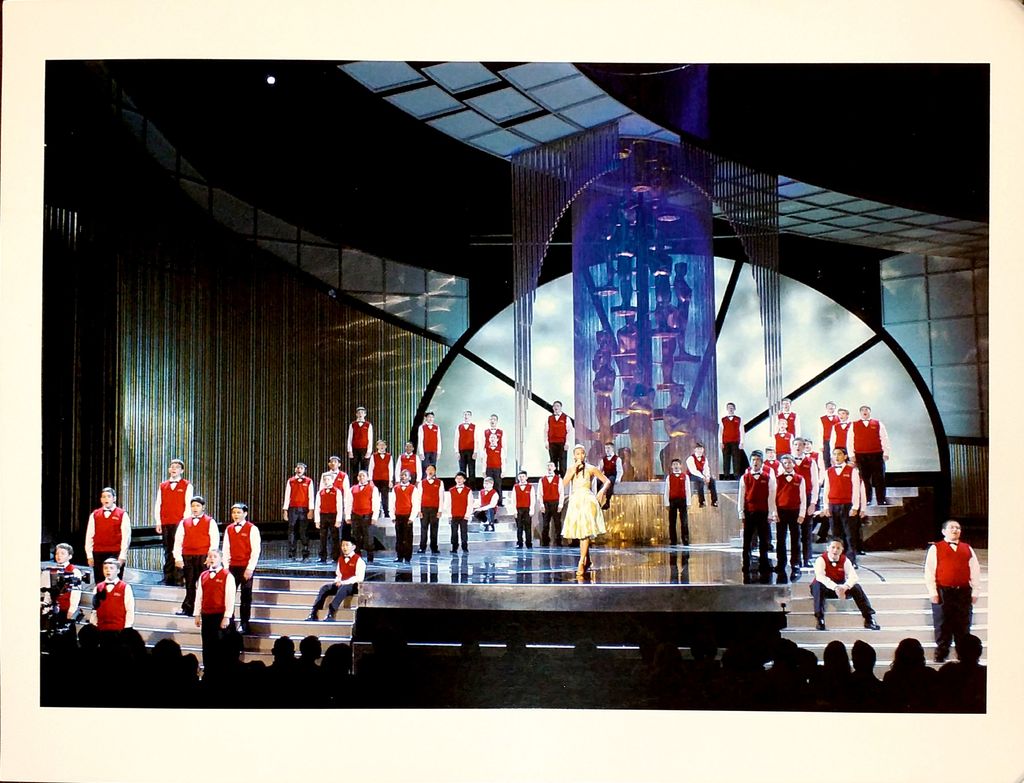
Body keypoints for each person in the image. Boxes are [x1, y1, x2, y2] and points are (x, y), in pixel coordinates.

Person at [924, 519, 981, 663]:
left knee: (963, 623)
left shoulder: (967, 548)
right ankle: (941, 653)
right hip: (944, 591)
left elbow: (975, 570)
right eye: (952, 528)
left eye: (958, 528)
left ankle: (963, 654)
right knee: (942, 623)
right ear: (944, 531)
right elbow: (929, 571)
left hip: (963, 592)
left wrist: (975, 591)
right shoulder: (936, 548)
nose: (955, 530)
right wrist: (933, 592)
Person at [561, 445, 611, 576]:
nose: (580, 456)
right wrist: (573, 470)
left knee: (585, 532)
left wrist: (602, 491)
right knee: (581, 532)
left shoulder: (591, 468)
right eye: (577, 453)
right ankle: (587, 559)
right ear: (574, 456)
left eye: (582, 453)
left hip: (588, 501)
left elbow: (607, 481)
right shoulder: (571, 469)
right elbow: (563, 484)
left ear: (585, 455)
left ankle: (581, 562)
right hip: (575, 501)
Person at [811, 539, 880, 631]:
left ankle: (869, 618)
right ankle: (820, 619)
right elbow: (820, 577)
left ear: (842, 550)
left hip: (841, 588)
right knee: (818, 585)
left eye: (838, 548)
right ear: (827, 548)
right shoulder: (821, 560)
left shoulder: (845, 560)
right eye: (833, 547)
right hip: (826, 587)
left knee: (856, 587)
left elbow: (853, 577)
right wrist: (835, 587)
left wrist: (845, 587)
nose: (835, 550)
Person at [173, 496, 220, 616]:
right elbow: (178, 541)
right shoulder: (184, 522)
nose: (195, 508)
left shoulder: (210, 521)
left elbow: (214, 541)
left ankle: (204, 608)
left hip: (203, 556)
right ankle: (188, 607)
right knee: (189, 583)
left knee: (204, 583)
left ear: (203, 507)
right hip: (188, 556)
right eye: (193, 506)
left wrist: (211, 558)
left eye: (198, 506)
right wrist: (178, 558)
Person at [817, 447, 864, 562]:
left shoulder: (852, 471)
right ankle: (838, 559)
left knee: (850, 534)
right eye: (834, 454)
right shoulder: (829, 471)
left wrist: (855, 507)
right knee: (836, 535)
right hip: (833, 506)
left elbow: (856, 490)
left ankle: (851, 560)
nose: (837, 457)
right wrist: (826, 506)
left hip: (847, 505)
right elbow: (826, 490)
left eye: (839, 454)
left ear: (845, 456)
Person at [193, 548, 236, 673]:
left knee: (220, 646)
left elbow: (230, 598)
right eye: (210, 556)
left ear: (221, 559)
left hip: (220, 615)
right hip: (207, 615)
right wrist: (197, 614)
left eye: (215, 556)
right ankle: (208, 671)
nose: (212, 559)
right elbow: (199, 596)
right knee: (207, 645)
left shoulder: (227, 576)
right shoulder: (203, 575)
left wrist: (227, 616)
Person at [737, 450, 777, 582]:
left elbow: (771, 496)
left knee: (764, 540)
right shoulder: (745, 477)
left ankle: (764, 564)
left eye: (758, 460)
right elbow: (741, 496)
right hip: (749, 512)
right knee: (747, 540)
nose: (755, 462)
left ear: (762, 463)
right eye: (753, 460)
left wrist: (771, 513)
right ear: (750, 462)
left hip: (763, 512)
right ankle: (746, 564)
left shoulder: (767, 477)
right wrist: (741, 512)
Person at [222, 502, 261, 635]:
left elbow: (255, 550)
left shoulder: (252, 529)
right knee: (229, 595)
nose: (236, 515)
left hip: (245, 567)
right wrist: (226, 567)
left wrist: (250, 568)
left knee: (245, 596)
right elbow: (226, 549)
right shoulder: (229, 529)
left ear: (245, 514)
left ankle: (244, 624)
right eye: (234, 512)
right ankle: (230, 622)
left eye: (238, 512)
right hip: (232, 567)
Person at [153, 458, 193, 586]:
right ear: (169, 469)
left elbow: (188, 505)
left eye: (177, 467)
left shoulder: (187, 485)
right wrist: (158, 521)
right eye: (172, 466)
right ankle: (168, 577)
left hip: (179, 522)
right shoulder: (163, 485)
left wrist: (184, 523)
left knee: (179, 549)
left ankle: (179, 577)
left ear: (182, 470)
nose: (174, 469)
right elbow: (158, 504)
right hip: (166, 522)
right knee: (167, 549)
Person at [306, 539, 365, 621]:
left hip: (352, 585)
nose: (344, 547)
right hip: (341, 583)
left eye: (347, 545)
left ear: (353, 547)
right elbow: (339, 574)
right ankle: (314, 612)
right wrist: (338, 580)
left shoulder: (359, 560)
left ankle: (331, 612)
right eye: (343, 545)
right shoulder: (341, 559)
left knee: (343, 588)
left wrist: (343, 582)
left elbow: (359, 578)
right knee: (325, 588)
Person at [84, 487, 131, 584]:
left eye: (109, 496)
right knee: (99, 582)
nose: (106, 499)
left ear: (114, 498)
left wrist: (122, 555)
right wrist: (89, 555)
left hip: (115, 552)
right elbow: (89, 536)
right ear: (101, 499)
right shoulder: (95, 515)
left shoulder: (122, 514)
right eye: (104, 497)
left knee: (115, 582)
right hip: (98, 552)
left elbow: (126, 537)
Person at [41, 543, 83, 644]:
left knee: (67, 638)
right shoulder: (51, 570)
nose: (59, 556)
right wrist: (46, 606)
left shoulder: (74, 571)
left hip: (66, 608)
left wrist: (72, 609)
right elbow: (48, 591)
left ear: (70, 556)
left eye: (63, 553)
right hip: (53, 609)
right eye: (57, 553)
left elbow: (76, 592)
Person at [774, 454, 806, 582]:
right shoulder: (777, 479)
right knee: (780, 539)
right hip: (781, 511)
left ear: (793, 463)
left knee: (795, 539)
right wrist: (774, 513)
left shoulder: (800, 479)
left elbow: (803, 497)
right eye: (785, 463)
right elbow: (773, 497)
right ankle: (781, 563)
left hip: (795, 511)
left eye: (789, 462)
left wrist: (802, 514)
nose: (787, 465)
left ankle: (796, 563)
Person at [852, 405, 890, 506]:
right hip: (860, 455)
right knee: (864, 479)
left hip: (876, 454)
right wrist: (851, 455)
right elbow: (850, 440)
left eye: (866, 410)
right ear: (860, 413)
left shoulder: (878, 423)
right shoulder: (853, 425)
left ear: (870, 412)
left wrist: (886, 453)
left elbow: (884, 438)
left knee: (879, 478)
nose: (865, 411)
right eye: (862, 410)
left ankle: (881, 500)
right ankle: (867, 500)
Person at [791, 438, 820, 566]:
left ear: (804, 447)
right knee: (794, 531)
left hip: (807, 498)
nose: (798, 447)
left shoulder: (811, 462)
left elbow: (815, 483)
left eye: (800, 445)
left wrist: (813, 503)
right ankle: (795, 560)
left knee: (806, 531)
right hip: (792, 499)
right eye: (795, 444)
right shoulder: (787, 461)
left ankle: (807, 558)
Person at [89, 557, 136, 634]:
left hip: (119, 629)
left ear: (118, 570)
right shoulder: (98, 587)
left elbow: (130, 609)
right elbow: (94, 609)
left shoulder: (125, 587)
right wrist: (93, 625)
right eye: (105, 568)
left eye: (111, 568)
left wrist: (127, 627)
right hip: (101, 628)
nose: (108, 570)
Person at [345, 470, 380, 563]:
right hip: (355, 515)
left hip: (367, 516)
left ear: (367, 478)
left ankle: (370, 558)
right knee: (355, 537)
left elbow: (376, 503)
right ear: (357, 478)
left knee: (368, 537)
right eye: (360, 476)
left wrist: (374, 517)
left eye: (363, 476)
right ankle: (357, 557)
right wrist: (347, 516)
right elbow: (348, 503)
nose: (361, 477)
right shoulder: (352, 489)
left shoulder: (373, 488)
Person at [282, 462, 314, 560]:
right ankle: (291, 553)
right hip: (293, 509)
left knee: (303, 531)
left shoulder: (308, 481)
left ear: (304, 470)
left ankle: (305, 552)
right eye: (298, 468)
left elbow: (311, 496)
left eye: (301, 468)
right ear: (295, 469)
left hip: (304, 509)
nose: (299, 470)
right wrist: (285, 510)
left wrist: (311, 510)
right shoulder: (291, 481)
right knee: (291, 530)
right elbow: (287, 496)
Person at [389, 469, 420, 564]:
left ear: (409, 478)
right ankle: (399, 556)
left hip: (408, 516)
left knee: (408, 537)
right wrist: (392, 516)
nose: (403, 477)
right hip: (398, 515)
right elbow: (392, 503)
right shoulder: (395, 488)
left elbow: (415, 504)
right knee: (399, 537)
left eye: (405, 475)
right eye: (402, 475)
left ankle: (407, 557)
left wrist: (412, 517)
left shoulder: (413, 488)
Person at [314, 473, 344, 563]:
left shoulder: (337, 491)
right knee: (323, 537)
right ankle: (322, 557)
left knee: (335, 537)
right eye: (325, 480)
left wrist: (338, 519)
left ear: (332, 480)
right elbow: (317, 507)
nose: (326, 481)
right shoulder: (320, 492)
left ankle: (336, 557)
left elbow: (339, 506)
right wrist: (317, 520)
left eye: (328, 479)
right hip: (323, 516)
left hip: (333, 516)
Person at [444, 471, 476, 553]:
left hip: (464, 515)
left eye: (461, 478)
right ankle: (454, 547)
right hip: (454, 515)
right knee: (454, 532)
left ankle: (465, 547)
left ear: (464, 480)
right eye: (457, 478)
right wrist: (449, 515)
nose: (459, 480)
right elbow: (448, 504)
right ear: (455, 480)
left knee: (464, 532)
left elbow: (470, 504)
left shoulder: (468, 490)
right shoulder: (451, 490)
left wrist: (467, 515)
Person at [663, 458, 691, 546]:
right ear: (672, 466)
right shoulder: (669, 477)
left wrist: (688, 502)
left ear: (680, 466)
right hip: (672, 501)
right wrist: (666, 503)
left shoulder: (685, 476)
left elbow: (688, 490)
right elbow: (667, 490)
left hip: (683, 500)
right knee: (672, 522)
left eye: (677, 464)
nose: (676, 466)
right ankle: (673, 540)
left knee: (684, 521)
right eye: (674, 464)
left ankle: (685, 539)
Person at [417, 464, 444, 554]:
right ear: (426, 471)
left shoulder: (440, 482)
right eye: (428, 469)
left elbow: (441, 497)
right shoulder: (421, 483)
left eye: (432, 469)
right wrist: (419, 510)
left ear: (435, 471)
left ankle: (434, 547)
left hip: (435, 509)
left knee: (434, 529)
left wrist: (440, 510)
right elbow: (419, 497)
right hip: (424, 509)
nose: (430, 471)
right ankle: (422, 547)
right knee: (423, 528)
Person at [545, 401, 575, 476]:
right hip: (552, 443)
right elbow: (546, 431)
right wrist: (546, 442)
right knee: (553, 462)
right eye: (554, 406)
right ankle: (554, 479)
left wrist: (567, 443)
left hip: (562, 443)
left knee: (562, 462)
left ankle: (563, 479)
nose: (556, 407)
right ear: (553, 408)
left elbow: (570, 431)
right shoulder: (549, 418)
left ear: (561, 408)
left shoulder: (566, 418)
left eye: (558, 406)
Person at [539, 462, 565, 547]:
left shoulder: (558, 479)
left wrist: (560, 504)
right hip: (546, 503)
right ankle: (545, 541)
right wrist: (541, 504)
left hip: (555, 503)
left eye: (551, 466)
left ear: (554, 468)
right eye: (548, 466)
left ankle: (558, 541)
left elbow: (561, 493)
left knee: (557, 523)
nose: (549, 467)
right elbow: (540, 493)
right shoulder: (542, 480)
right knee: (545, 523)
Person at [508, 470, 536, 548]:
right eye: (520, 476)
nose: (521, 478)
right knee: (519, 527)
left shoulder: (530, 487)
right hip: (518, 509)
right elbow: (513, 500)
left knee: (528, 527)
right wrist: (514, 511)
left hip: (527, 509)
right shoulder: (515, 487)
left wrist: (532, 509)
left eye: (523, 476)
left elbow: (532, 499)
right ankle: (519, 542)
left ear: (526, 477)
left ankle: (529, 543)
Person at [685, 443, 718, 508]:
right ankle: (702, 502)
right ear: (695, 450)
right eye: (698, 449)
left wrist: (707, 476)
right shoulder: (690, 459)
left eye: (701, 449)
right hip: (692, 475)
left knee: (712, 480)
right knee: (700, 481)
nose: (700, 450)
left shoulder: (704, 459)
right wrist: (703, 477)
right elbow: (693, 470)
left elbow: (706, 469)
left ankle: (714, 501)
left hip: (701, 475)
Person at [369, 440, 394, 518]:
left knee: (385, 497)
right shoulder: (373, 456)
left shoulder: (389, 456)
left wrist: (390, 480)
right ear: (377, 446)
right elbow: (371, 468)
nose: (382, 446)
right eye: (380, 445)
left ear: (386, 446)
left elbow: (391, 468)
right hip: (375, 479)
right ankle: (375, 513)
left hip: (385, 479)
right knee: (375, 497)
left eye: (383, 445)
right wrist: (370, 480)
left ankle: (386, 512)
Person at [346, 406, 373, 477]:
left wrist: (369, 451)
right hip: (354, 449)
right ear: (356, 414)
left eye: (362, 413)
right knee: (354, 469)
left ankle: (364, 482)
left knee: (364, 468)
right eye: (359, 413)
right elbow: (350, 438)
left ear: (365, 414)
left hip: (364, 449)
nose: (360, 414)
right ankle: (355, 483)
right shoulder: (352, 425)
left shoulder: (368, 425)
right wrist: (350, 450)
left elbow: (370, 438)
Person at [719, 402, 744, 479]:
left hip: (736, 442)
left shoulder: (738, 419)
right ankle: (726, 476)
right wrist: (720, 442)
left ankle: (736, 475)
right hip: (726, 442)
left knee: (736, 459)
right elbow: (720, 431)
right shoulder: (723, 419)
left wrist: (742, 442)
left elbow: (742, 431)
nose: (730, 409)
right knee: (726, 459)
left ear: (734, 409)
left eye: (732, 407)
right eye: (729, 407)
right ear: (727, 409)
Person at [481, 414, 505, 486]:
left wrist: (503, 470)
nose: (492, 421)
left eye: (494, 419)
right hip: (489, 465)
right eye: (491, 419)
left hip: (498, 465)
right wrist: (483, 469)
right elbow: (482, 444)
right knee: (488, 483)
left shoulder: (501, 432)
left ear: (497, 421)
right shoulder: (485, 432)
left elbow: (504, 445)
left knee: (498, 484)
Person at [454, 410, 478, 480]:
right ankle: (463, 485)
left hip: (471, 451)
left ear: (470, 416)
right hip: (461, 451)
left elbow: (476, 440)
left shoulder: (474, 427)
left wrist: (475, 452)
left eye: (468, 415)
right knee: (462, 470)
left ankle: (472, 485)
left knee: (472, 470)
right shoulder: (459, 427)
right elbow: (456, 439)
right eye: (465, 414)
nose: (466, 416)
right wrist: (456, 451)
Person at [599, 442, 619, 510]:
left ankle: (607, 501)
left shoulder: (617, 459)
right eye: (606, 448)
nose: (607, 450)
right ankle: (597, 499)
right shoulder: (603, 459)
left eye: (608, 448)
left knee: (610, 481)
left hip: (613, 475)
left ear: (612, 449)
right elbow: (600, 469)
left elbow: (620, 470)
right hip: (605, 476)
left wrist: (618, 479)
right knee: (597, 481)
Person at [819, 401, 839, 469]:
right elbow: (820, 432)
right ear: (826, 408)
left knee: (837, 458)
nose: (831, 409)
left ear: (835, 408)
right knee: (826, 459)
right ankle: (827, 473)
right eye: (829, 408)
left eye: (832, 408)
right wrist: (821, 445)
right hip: (826, 441)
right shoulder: (822, 419)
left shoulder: (838, 418)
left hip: (837, 441)